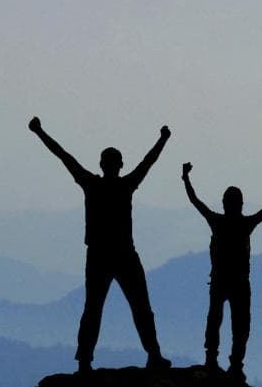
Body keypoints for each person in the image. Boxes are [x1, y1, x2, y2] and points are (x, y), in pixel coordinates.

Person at [29, 116, 173, 371]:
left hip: (100, 256)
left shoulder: (92, 184)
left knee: (95, 309)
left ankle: (86, 360)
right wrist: (162, 139)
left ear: (103, 164)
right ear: (119, 165)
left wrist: (40, 132)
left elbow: (64, 156)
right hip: (122, 255)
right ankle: (152, 355)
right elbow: (148, 162)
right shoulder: (124, 185)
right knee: (138, 307)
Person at [182, 163, 262, 380]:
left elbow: (195, 202)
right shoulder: (245, 224)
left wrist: (186, 178)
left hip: (222, 281)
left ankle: (214, 360)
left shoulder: (218, 222)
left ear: (225, 204)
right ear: (240, 204)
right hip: (238, 282)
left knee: (217, 320)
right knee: (238, 325)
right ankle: (234, 365)